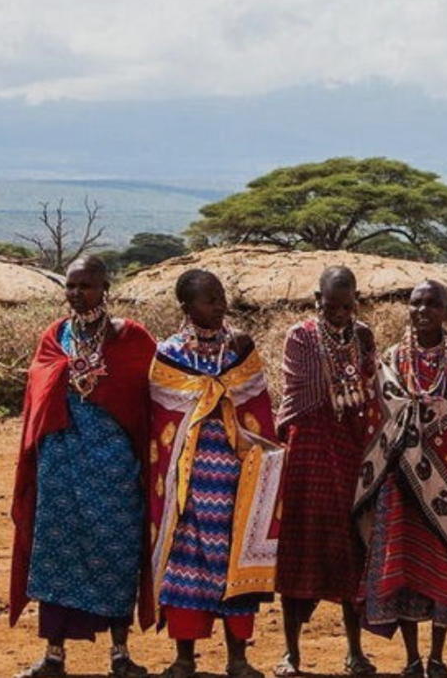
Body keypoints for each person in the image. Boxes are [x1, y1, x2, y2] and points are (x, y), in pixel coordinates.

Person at [10, 255, 157, 678]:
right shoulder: (55, 336)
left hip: (115, 468)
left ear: (105, 288)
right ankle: (54, 655)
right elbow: (38, 397)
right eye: (71, 286)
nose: (77, 293)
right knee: (55, 554)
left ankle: (120, 654)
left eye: (86, 286)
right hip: (61, 464)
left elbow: (153, 398)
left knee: (117, 552)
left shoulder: (131, 338)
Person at [147, 269, 281, 678]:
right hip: (187, 483)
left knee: (235, 564)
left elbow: (257, 408)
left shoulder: (240, 350)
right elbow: (162, 418)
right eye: (209, 300)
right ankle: (184, 658)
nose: (220, 306)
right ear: (186, 307)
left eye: (221, 297)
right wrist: (211, 395)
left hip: (237, 480)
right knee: (184, 567)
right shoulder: (169, 354)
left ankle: (238, 658)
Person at [355, 280, 447, 678]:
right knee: (404, 572)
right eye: (416, 304)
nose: (422, 311)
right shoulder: (394, 359)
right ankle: (413, 658)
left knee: (443, 569)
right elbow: (382, 417)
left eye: (432, 304)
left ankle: (437, 657)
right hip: (400, 482)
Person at [275, 267, 381, 678]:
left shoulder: (364, 336)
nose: (338, 313)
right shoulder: (300, 337)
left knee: (351, 548)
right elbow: (305, 389)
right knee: (299, 547)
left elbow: (371, 389)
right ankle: (291, 654)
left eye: (346, 306)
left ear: (356, 301)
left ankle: (355, 652)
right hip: (308, 452)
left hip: (352, 451)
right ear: (317, 299)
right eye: (330, 305)